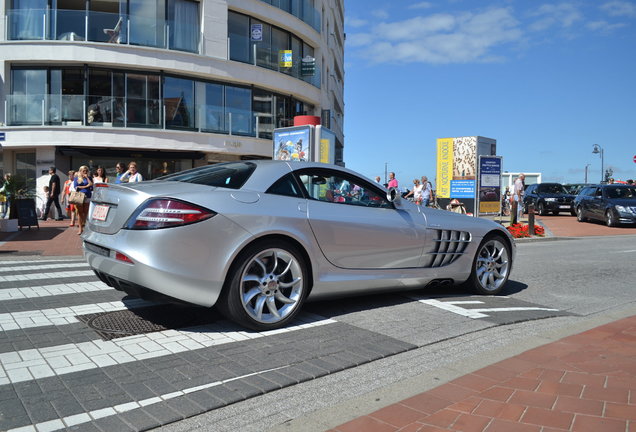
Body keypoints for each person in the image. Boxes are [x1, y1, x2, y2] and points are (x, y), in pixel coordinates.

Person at [73, 165, 93, 235]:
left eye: (86, 171)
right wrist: (86, 186)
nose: (85, 172)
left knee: (86, 213)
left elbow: (92, 186)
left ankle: (85, 228)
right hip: (79, 196)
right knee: (80, 213)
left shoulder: (89, 177)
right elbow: (76, 187)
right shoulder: (76, 178)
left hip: (87, 196)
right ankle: (80, 228)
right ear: (80, 171)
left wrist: (87, 177)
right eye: (83, 171)